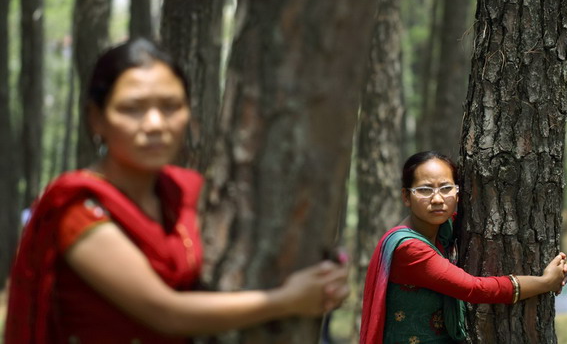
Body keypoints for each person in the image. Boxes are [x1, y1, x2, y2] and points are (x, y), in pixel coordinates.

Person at [5, 38, 349, 343]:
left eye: (170, 107)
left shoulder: (185, 191)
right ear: (97, 119)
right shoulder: (78, 209)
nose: (155, 124)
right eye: (132, 109)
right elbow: (165, 313)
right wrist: (286, 300)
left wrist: (328, 277)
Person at [360, 151, 567, 344]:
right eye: (424, 190)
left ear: (458, 193)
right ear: (406, 196)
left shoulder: (441, 229)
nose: (437, 199)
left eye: (446, 188)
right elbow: (473, 289)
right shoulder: (410, 249)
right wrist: (545, 283)